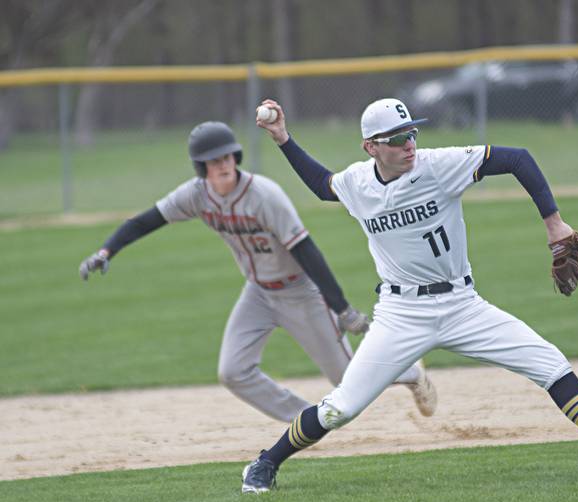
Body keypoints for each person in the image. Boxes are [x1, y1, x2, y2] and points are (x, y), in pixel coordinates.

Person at [241, 98, 578, 494]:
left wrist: (554, 223)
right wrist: (283, 138)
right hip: (401, 313)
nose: (409, 143)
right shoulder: (359, 183)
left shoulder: (439, 164)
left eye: (411, 132)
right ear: (371, 147)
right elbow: (323, 185)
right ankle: (265, 462)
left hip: (462, 305)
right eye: (396, 138)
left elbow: (518, 158)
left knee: (549, 363)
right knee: (341, 408)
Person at [78, 121, 437, 424]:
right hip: (258, 294)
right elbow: (146, 220)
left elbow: (306, 251)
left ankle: (409, 372)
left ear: (236, 157)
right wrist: (107, 249)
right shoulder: (196, 195)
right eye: (213, 161)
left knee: (348, 380)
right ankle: (306, 421)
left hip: (301, 292)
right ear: (201, 167)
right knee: (232, 372)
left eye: (227, 157)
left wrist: (340, 308)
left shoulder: (264, 195)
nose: (223, 165)